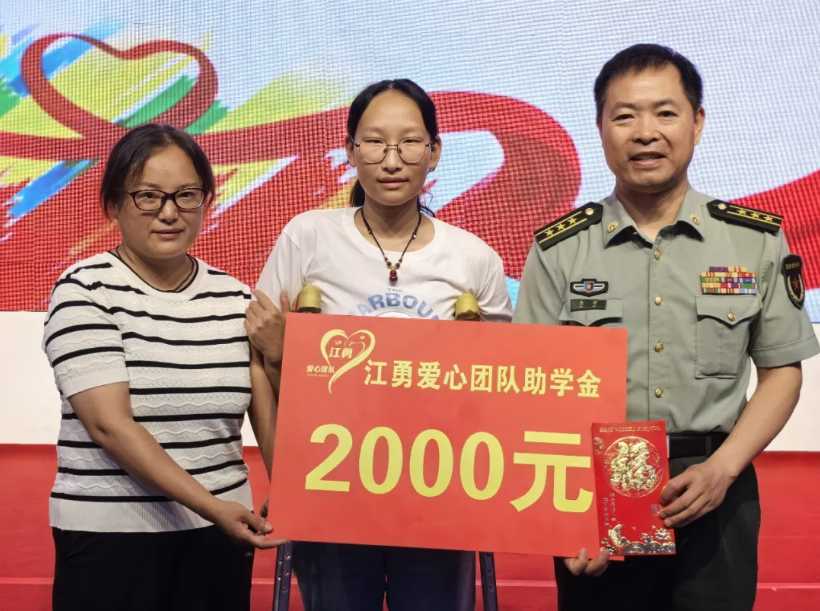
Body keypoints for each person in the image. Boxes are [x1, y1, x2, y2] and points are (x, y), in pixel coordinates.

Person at [514, 44, 819, 611]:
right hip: (596, 491)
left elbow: (782, 371)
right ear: (600, 128)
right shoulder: (560, 249)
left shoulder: (752, 240)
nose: (645, 133)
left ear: (697, 122)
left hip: (717, 485)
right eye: (625, 116)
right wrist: (569, 512)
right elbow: (532, 390)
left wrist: (722, 470)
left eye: (665, 113)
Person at [246, 78, 512, 611]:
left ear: (434, 152)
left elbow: (501, 388)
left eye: (410, 142)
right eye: (373, 142)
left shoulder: (473, 258)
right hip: (331, 488)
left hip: (438, 494)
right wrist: (286, 475)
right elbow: (259, 359)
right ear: (350, 150)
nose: (391, 160)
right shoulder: (308, 236)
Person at [42, 124, 279, 611]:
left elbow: (265, 412)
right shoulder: (85, 290)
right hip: (112, 539)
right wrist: (211, 506)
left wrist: (293, 492)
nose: (169, 212)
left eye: (186, 195)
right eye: (148, 196)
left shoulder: (236, 299)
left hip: (222, 536)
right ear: (114, 204)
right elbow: (110, 426)